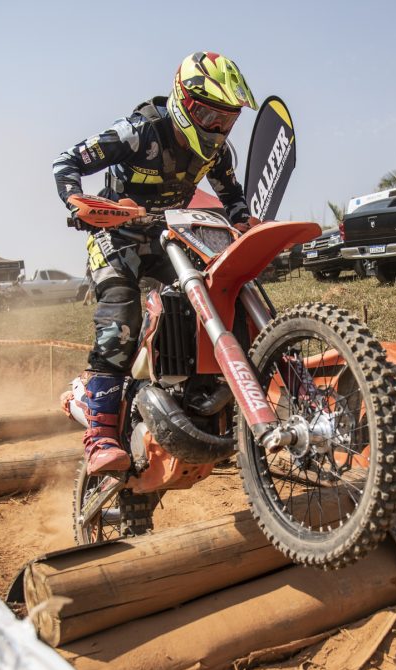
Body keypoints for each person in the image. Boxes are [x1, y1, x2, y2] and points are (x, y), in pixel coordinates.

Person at [53, 51, 258, 475]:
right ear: (183, 102)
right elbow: (67, 161)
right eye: (209, 116)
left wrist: (242, 218)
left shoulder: (217, 153)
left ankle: (205, 394)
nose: (218, 129)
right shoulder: (138, 133)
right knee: (121, 312)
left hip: (168, 236)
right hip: (115, 234)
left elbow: (232, 193)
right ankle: (100, 437)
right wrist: (77, 201)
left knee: (218, 290)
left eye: (228, 120)